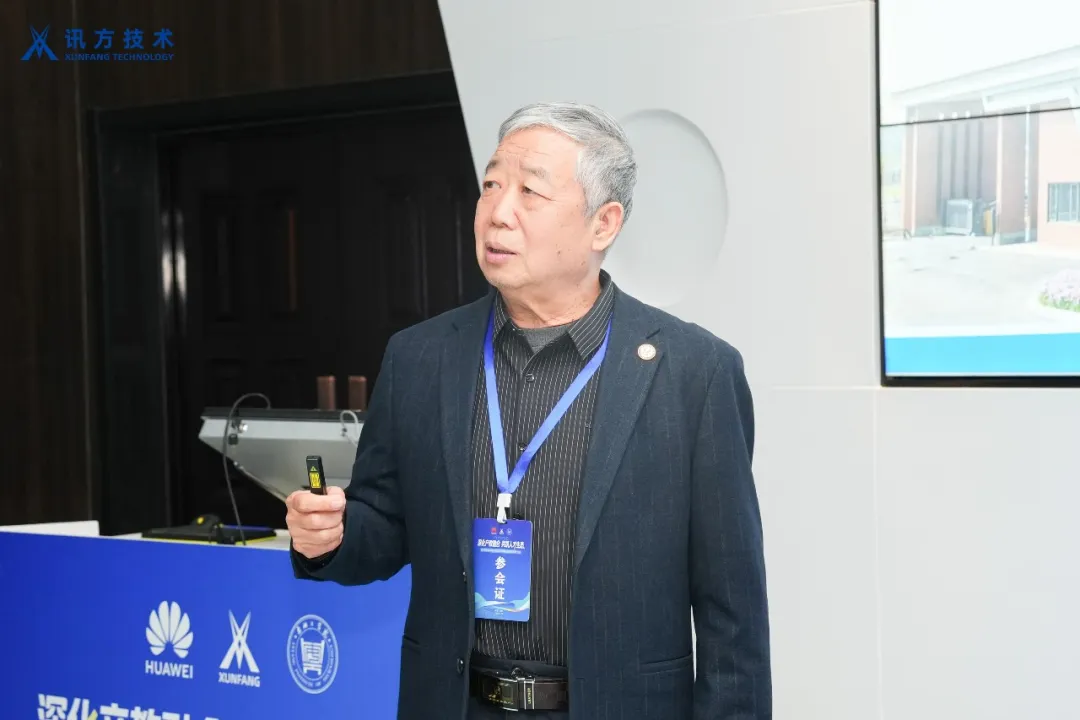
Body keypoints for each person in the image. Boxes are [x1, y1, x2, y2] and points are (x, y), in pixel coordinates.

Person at [287, 101, 771, 719]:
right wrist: (330, 536)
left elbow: (733, 614)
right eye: (491, 186)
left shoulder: (695, 374)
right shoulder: (419, 358)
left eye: (530, 192)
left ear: (603, 224)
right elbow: (385, 526)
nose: (497, 212)